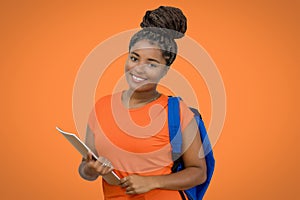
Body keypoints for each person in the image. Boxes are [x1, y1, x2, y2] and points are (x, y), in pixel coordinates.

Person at [78, 6, 207, 200]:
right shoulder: (101, 107)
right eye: (134, 58)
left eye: (152, 64)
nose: (139, 69)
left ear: (165, 71)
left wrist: (152, 182)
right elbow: (85, 171)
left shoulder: (177, 112)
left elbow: (198, 172)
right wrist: (90, 169)